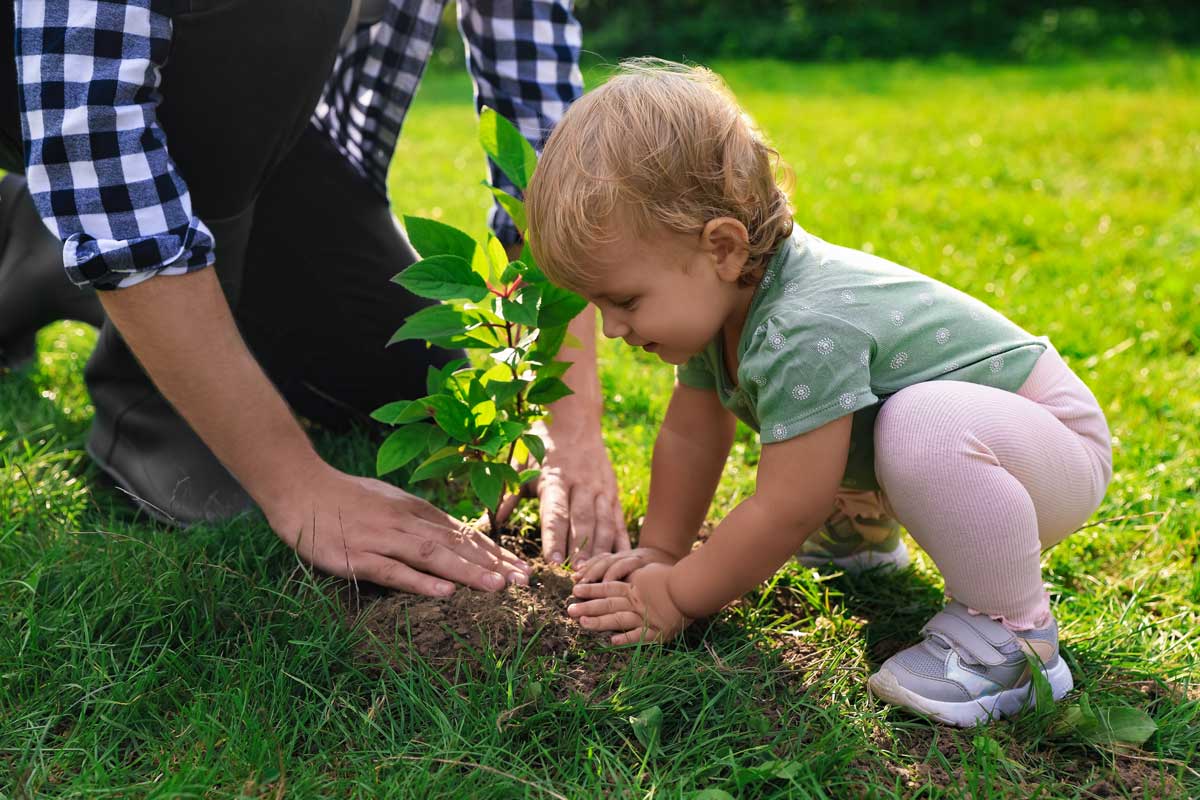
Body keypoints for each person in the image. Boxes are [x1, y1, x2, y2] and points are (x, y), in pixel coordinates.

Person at [525, 59, 1113, 726]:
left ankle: (1012, 640)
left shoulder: (802, 323)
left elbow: (787, 505)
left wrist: (678, 596)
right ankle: (860, 532)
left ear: (722, 247)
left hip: (1047, 450)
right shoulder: (728, 304)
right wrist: (662, 551)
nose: (611, 328)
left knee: (920, 421)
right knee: (883, 416)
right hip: (994, 450)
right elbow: (692, 436)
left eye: (625, 299)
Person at [0, 0, 626, 598]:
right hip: (54, 81)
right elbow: (91, 126)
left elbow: (536, 114)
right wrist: (299, 485)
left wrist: (569, 427)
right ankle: (149, 408)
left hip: (266, 133)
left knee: (409, 379)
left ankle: (43, 234)